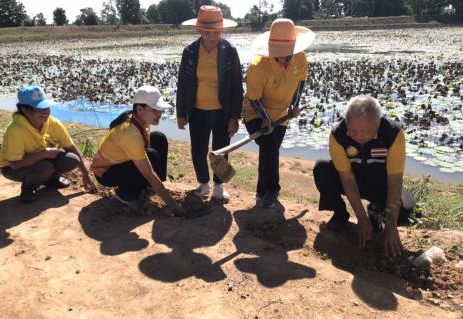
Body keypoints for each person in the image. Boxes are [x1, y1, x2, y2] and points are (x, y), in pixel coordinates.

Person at [313, 95, 416, 257]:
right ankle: (340, 214)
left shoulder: (393, 134)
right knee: (322, 169)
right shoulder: (337, 134)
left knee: (407, 214)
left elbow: (394, 184)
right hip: (354, 181)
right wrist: (360, 218)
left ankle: (374, 212)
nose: (358, 136)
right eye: (352, 130)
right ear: (346, 121)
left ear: (378, 122)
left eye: (365, 131)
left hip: (381, 184)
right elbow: (347, 178)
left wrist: (390, 227)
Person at [244, 18, 315, 208]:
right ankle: (273, 190)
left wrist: (295, 105)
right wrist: (265, 118)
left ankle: (261, 193)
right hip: (255, 113)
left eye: (286, 53)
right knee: (269, 147)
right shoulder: (258, 66)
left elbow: (301, 82)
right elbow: (253, 98)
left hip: (282, 114)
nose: (283, 57)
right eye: (278, 54)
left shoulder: (300, 58)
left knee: (269, 151)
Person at [176, 5, 243, 201]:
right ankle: (203, 184)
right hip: (197, 110)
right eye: (206, 32)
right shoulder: (189, 52)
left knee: (221, 150)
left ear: (221, 30)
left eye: (215, 32)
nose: (211, 37)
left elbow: (237, 87)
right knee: (198, 149)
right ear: (199, 30)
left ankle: (219, 186)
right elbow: (182, 84)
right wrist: (181, 113)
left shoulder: (230, 52)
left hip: (222, 111)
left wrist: (234, 116)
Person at [91, 85, 186, 217]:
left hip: (121, 164)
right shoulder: (129, 133)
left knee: (159, 138)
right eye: (154, 110)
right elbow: (150, 174)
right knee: (151, 156)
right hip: (106, 173)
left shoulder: (140, 120)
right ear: (140, 109)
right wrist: (174, 206)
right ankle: (125, 194)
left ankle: (152, 187)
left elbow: (148, 145)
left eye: (160, 110)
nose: (160, 114)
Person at [0, 85, 96, 203]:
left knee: (72, 159)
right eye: (39, 108)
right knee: (45, 167)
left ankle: (51, 181)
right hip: (11, 168)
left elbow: (71, 148)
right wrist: (43, 154)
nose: (45, 112)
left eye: (46, 107)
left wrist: (85, 174)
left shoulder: (53, 123)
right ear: (25, 110)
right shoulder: (16, 130)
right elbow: (15, 164)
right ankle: (28, 190)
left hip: (41, 160)